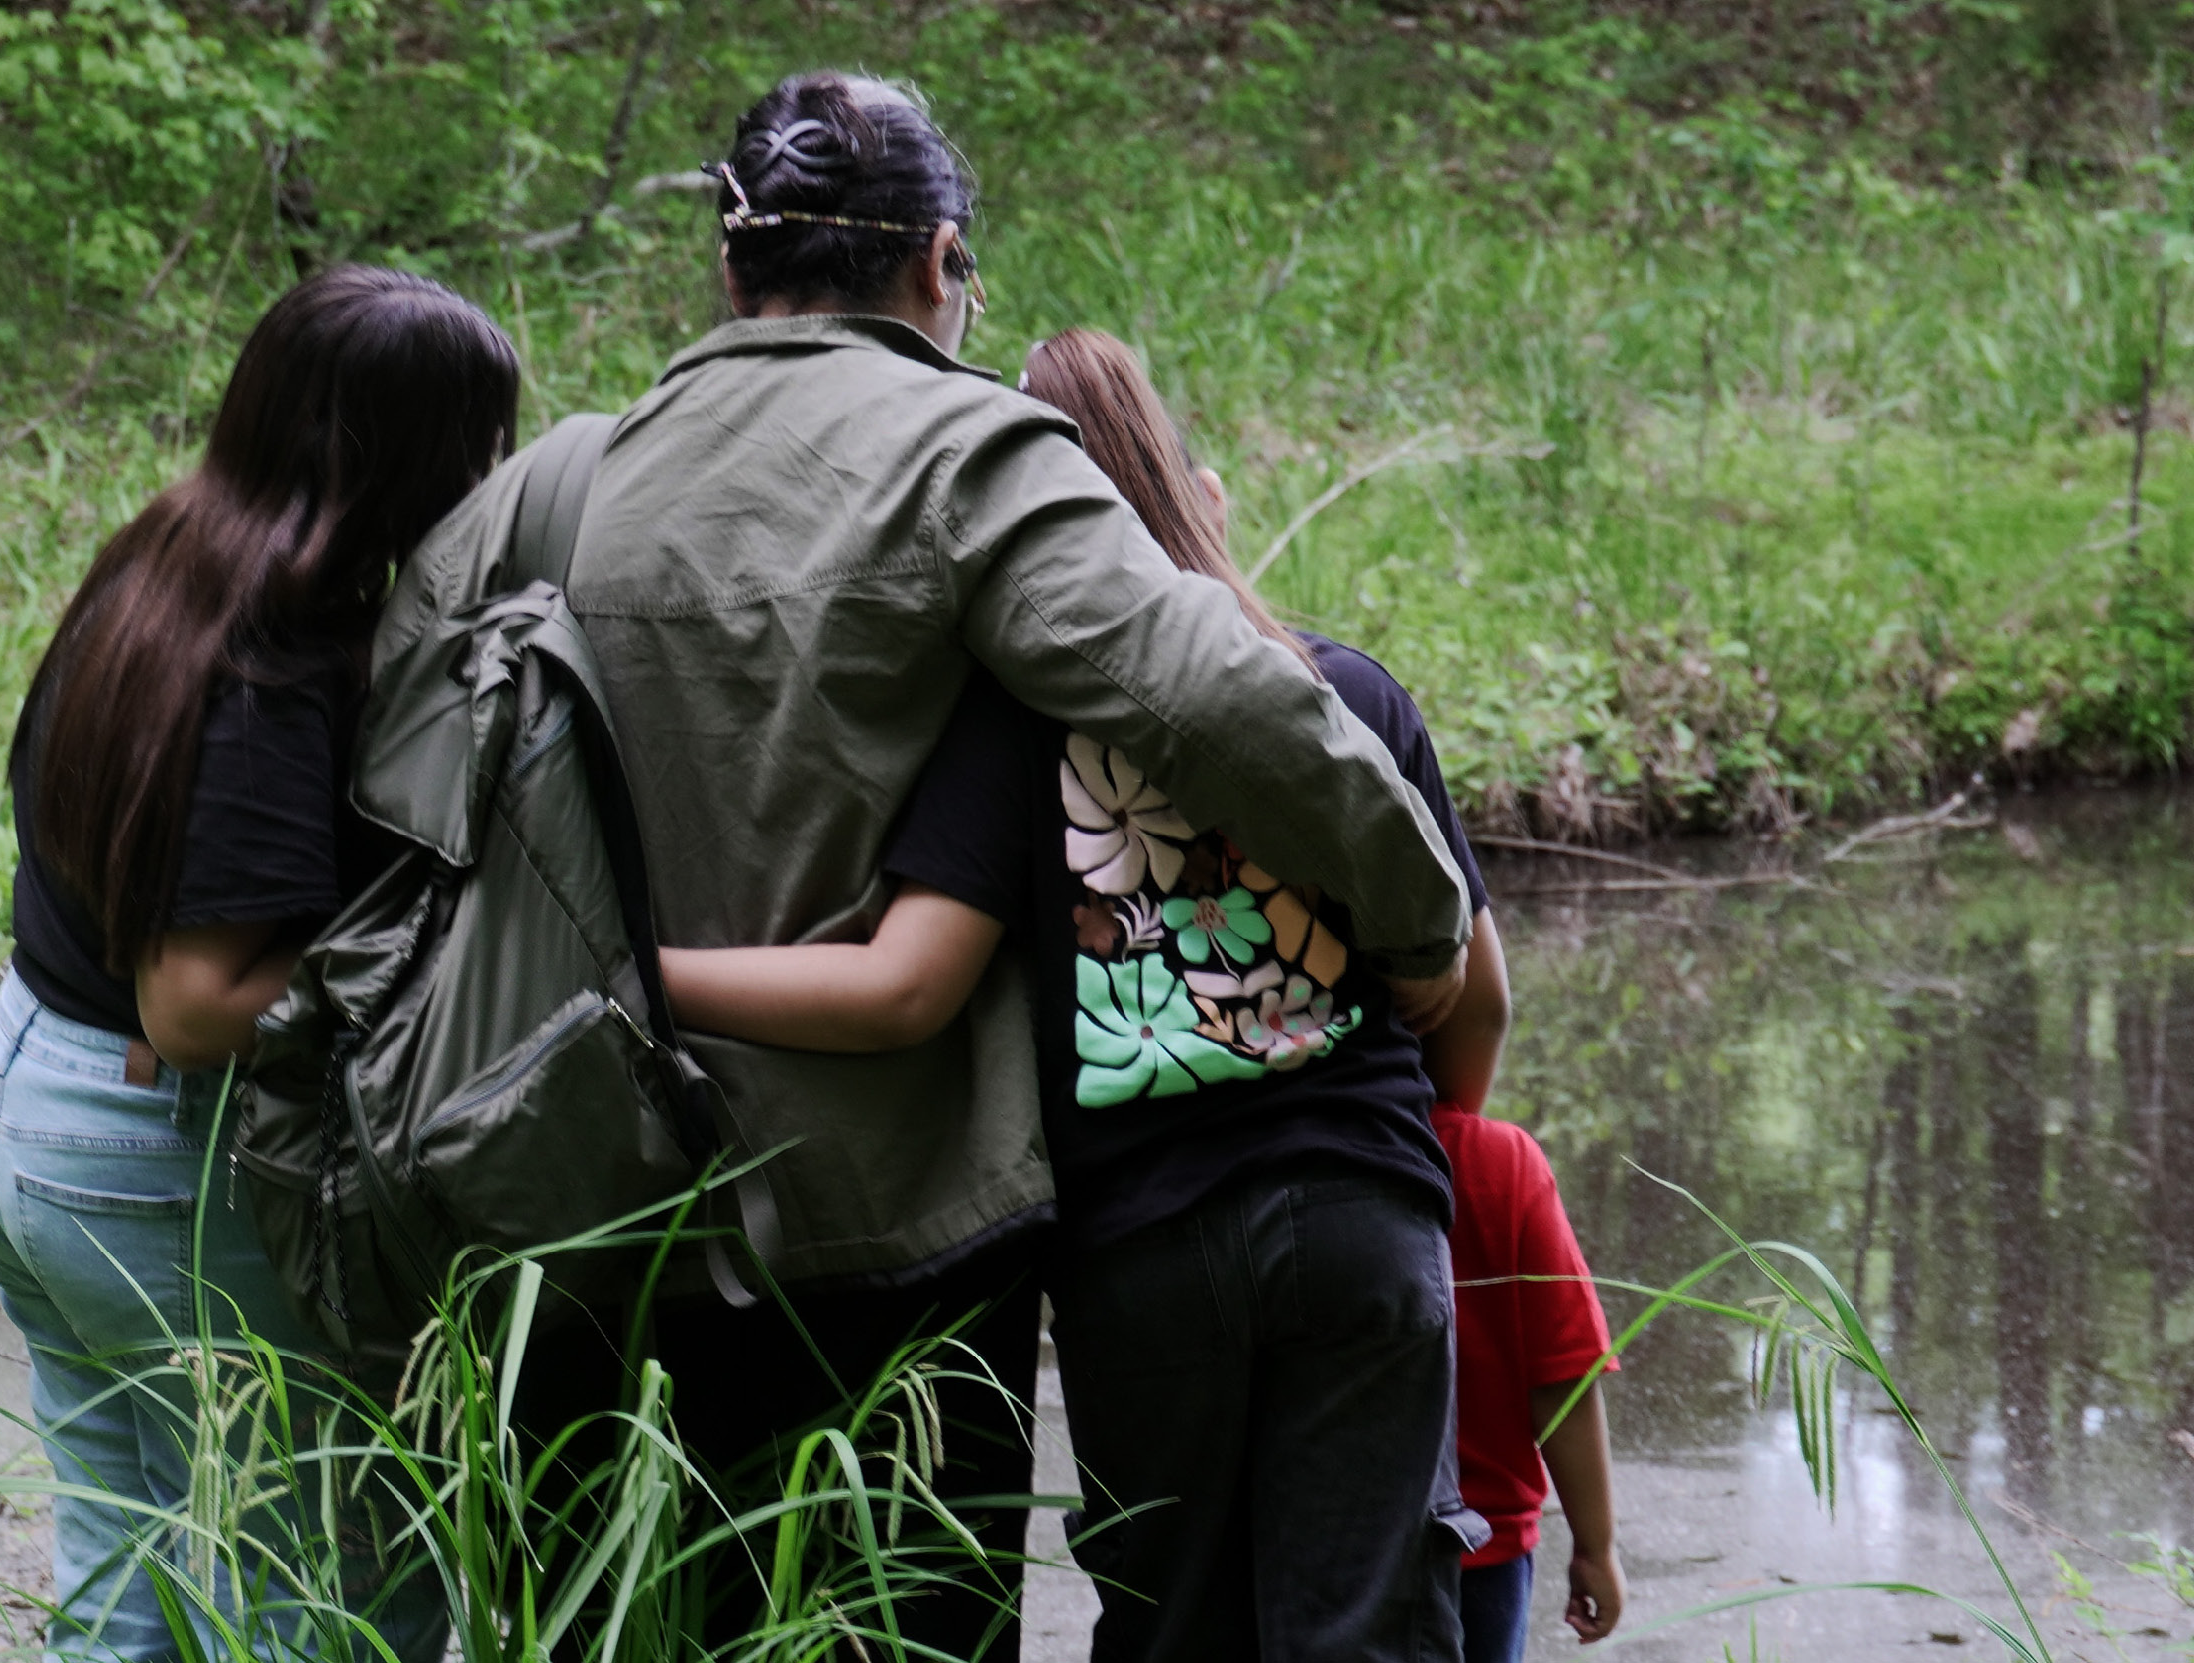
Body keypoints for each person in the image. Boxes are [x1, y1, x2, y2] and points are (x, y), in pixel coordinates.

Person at [370, 72, 1480, 1659]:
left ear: (730, 268)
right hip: (887, 1243)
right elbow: (1220, 694)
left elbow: (396, 772)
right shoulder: (968, 457)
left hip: (589, 1215)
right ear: (935, 263)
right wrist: (1417, 913)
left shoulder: (552, 484)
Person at [658, 326, 1503, 1661]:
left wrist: (636, 972)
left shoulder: (1010, 730)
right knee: (1369, 1629)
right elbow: (1472, 996)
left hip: (1141, 1245)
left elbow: (899, 987)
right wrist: (1403, 1135)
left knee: (1173, 1629)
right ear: (1190, 485)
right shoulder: (1339, 690)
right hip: (1355, 1208)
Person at [0, 265, 518, 1662]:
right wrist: (445, 965)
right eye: (481, 443)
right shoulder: (267, 662)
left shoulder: (170, 551)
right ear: (409, 459)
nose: (496, 473)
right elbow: (193, 1002)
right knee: (342, 1599)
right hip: (153, 1155)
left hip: (30, 1110)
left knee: (129, 1595)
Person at [1434, 1087, 1625, 1661]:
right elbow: (1563, 1376)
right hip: (1477, 1549)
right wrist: (1596, 1546)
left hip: (1304, 1545)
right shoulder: (1496, 1160)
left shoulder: (1263, 1152)